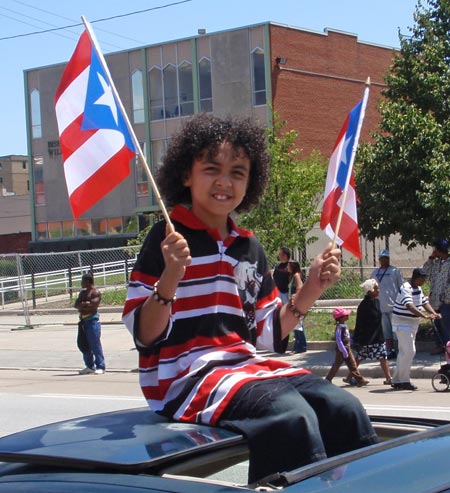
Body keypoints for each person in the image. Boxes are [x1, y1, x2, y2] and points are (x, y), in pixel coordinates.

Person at [122, 113, 377, 485]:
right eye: (212, 169)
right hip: (183, 379)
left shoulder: (249, 246)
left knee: (344, 407)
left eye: (238, 172)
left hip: (245, 368)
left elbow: (266, 336)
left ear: (250, 182)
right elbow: (144, 335)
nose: (225, 182)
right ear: (186, 175)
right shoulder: (166, 237)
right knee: (290, 416)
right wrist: (170, 276)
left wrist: (313, 288)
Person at [391, 268, 441, 391]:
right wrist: (424, 316)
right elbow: (409, 305)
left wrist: (434, 313)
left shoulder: (418, 288)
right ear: (416, 278)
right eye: (422, 279)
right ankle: (404, 380)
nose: (424, 281)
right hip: (402, 323)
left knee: (404, 352)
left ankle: (397, 380)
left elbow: (424, 302)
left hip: (412, 324)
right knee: (409, 351)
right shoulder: (406, 288)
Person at [346, 279, 392, 385]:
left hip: (377, 336)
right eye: (376, 288)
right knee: (359, 358)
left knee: (383, 356)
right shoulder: (363, 306)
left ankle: (388, 378)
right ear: (370, 290)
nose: (378, 290)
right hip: (367, 338)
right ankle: (349, 376)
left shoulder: (376, 302)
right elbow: (360, 324)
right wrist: (358, 339)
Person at [371, 249, 403, 360]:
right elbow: (371, 289)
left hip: (394, 306)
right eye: (382, 258)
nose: (384, 260)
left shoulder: (395, 271)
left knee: (396, 331)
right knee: (386, 331)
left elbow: (401, 288)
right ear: (379, 259)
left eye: (386, 258)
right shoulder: (374, 273)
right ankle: (390, 350)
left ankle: (400, 351)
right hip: (381, 306)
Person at [325, 308, 369, 387]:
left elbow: (347, 337)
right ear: (341, 318)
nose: (348, 316)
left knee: (352, 365)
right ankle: (328, 379)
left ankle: (360, 380)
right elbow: (338, 339)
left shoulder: (344, 326)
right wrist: (343, 350)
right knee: (338, 364)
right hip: (342, 349)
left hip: (347, 348)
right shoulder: (339, 327)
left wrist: (351, 342)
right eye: (346, 315)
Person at [74, 272, 105, 375]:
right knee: (83, 344)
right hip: (83, 321)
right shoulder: (82, 293)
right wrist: (84, 304)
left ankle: (100, 366)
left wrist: (84, 304)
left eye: (83, 281)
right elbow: (76, 305)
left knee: (95, 344)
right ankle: (89, 366)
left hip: (92, 322)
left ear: (87, 281)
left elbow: (93, 306)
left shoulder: (95, 292)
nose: (81, 283)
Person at [422, 239, 450, 354]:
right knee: (436, 323)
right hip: (435, 299)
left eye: (435, 249)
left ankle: (448, 347)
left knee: (446, 324)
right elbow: (424, 272)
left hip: (445, 300)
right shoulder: (436, 263)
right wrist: (431, 259)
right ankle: (440, 345)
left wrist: (446, 298)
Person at [288, 260, 307, 353]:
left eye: (289, 266)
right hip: (295, 302)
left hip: (297, 302)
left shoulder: (296, 275)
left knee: (298, 324)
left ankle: (301, 346)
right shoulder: (293, 275)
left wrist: (295, 297)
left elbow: (300, 287)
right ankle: (298, 345)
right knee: (296, 324)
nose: (287, 267)